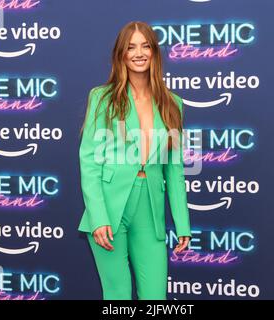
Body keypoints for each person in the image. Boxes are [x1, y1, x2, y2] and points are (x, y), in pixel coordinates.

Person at [78, 21, 192, 300]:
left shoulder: (172, 103)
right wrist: (98, 217)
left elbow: (174, 169)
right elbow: (89, 161)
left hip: (150, 210)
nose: (138, 53)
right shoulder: (101, 98)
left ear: (154, 53)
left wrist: (183, 225)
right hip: (108, 210)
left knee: (155, 297)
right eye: (131, 47)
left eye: (145, 46)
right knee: (117, 296)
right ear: (121, 55)